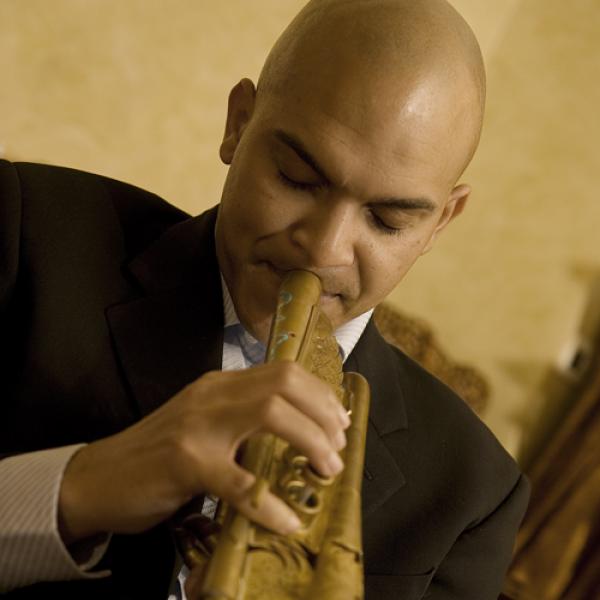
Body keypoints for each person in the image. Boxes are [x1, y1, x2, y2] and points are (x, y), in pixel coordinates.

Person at [0, 0, 529, 598]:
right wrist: (81, 489)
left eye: (386, 220)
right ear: (239, 123)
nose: (323, 250)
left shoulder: (473, 491)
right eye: (298, 179)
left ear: (441, 222)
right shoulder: (24, 229)